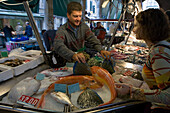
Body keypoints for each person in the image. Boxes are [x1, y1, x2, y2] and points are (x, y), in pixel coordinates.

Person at [115, 9, 170, 112]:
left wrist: (132, 91)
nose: (133, 30)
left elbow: (168, 97)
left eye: (136, 25)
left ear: (146, 27)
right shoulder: (161, 47)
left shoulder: (158, 53)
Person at [53, 2, 110, 66]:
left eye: (80, 16)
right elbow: (58, 45)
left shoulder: (84, 27)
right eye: (75, 16)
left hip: (80, 61)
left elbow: (92, 39)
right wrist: (72, 55)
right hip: (66, 62)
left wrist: (101, 50)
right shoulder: (62, 30)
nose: (78, 19)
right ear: (68, 15)